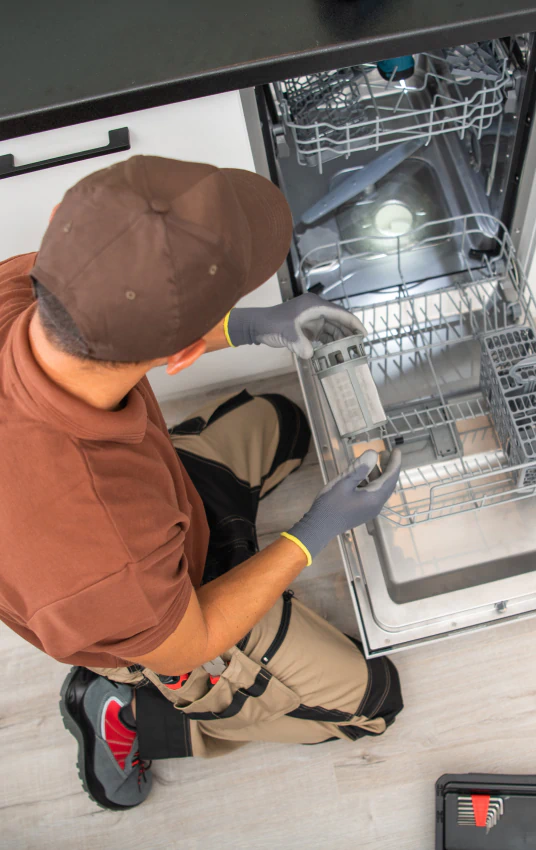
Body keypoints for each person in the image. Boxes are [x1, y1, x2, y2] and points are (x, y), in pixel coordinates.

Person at [0, 155, 402, 811]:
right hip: (159, 616)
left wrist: (252, 326)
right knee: (374, 702)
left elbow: (113, 313)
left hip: (152, 502)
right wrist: (314, 533)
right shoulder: (104, 555)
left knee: (288, 425)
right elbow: (198, 634)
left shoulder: (24, 287)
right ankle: (134, 714)